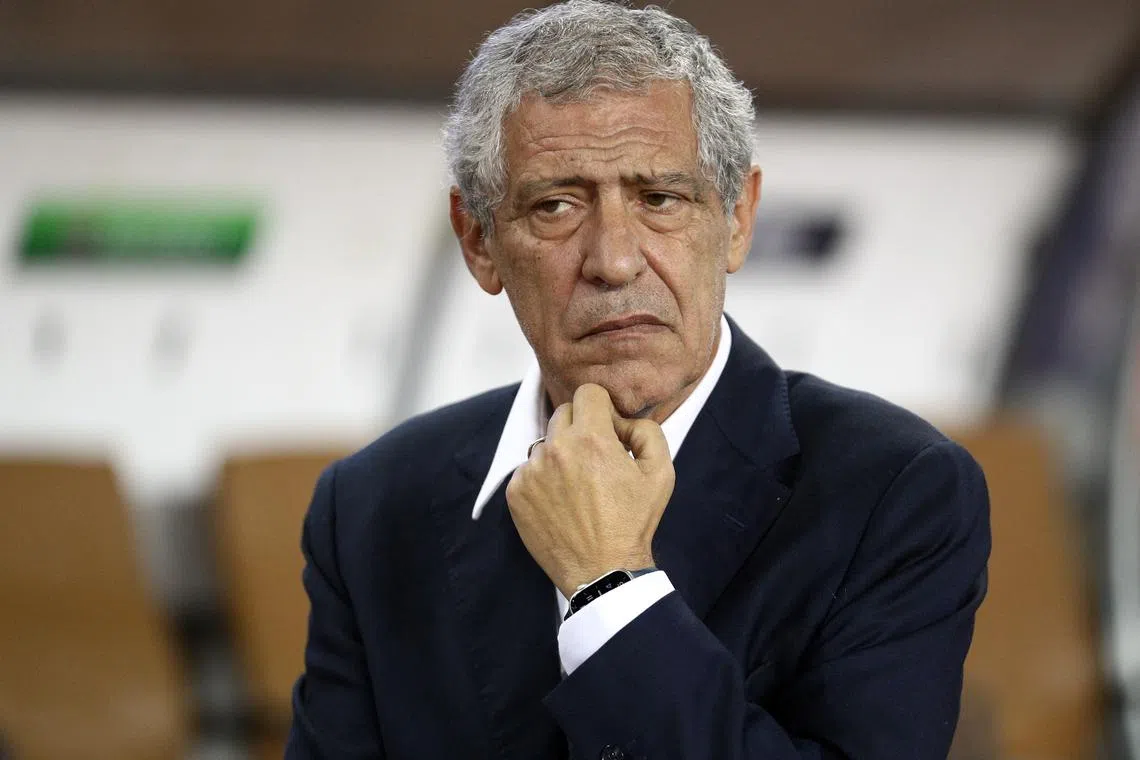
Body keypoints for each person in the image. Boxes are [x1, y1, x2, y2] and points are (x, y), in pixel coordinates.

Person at [285, 2, 991, 758]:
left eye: (660, 199)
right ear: (479, 242)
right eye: (556, 206)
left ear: (738, 220)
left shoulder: (895, 491)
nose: (614, 260)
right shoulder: (368, 508)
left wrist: (609, 587)